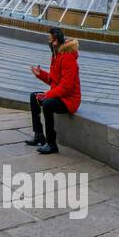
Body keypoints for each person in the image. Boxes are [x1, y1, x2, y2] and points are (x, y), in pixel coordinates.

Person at [28, 27, 81, 155]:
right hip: (60, 96)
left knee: (47, 103)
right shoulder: (56, 55)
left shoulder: (67, 57)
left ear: (56, 40)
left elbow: (66, 87)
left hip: (70, 100)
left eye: (50, 40)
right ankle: (39, 135)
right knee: (33, 96)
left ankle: (51, 144)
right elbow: (54, 81)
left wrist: (47, 95)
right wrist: (40, 74)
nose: (49, 42)